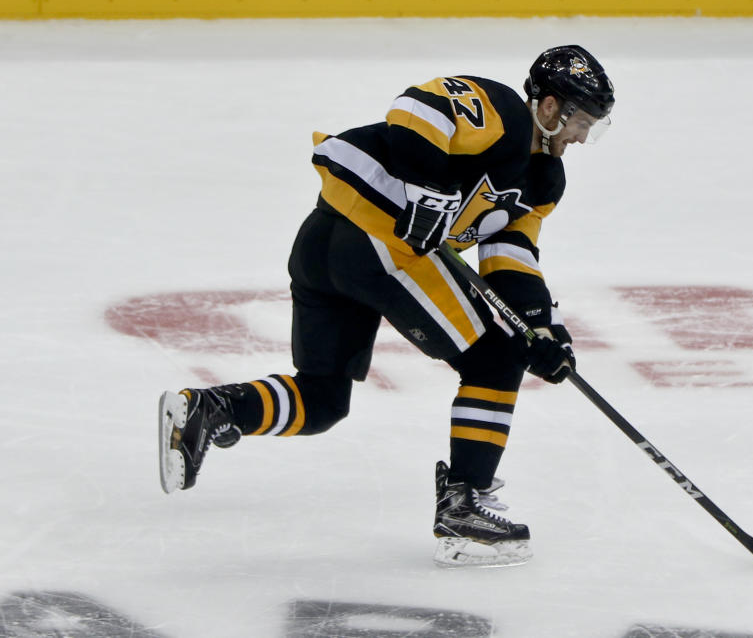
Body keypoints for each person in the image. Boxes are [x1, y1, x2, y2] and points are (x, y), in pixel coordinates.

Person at [158, 45, 615, 567]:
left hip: (331, 247)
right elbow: (416, 110)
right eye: (581, 121)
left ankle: (208, 410)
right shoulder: (504, 111)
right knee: (495, 358)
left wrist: (541, 328)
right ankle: (464, 504)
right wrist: (431, 190)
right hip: (375, 244)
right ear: (551, 107)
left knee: (323, 401)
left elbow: (511, 257)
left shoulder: (544, 184)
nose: (582, 137)